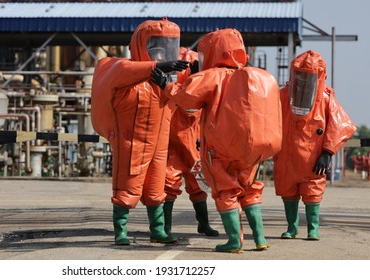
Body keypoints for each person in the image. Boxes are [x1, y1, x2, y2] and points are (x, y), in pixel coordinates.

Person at [151, 28, 282, 253]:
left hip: (223, 149)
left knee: (226, 191)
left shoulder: (214, 76)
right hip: (254, 151)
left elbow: (186, 98)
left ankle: (234, 240)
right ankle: (260, 238)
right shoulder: (258, 76)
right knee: (249, 190)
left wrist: (166, 84)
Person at [90, 18, 189, 245]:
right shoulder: (123, 69)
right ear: (141, 44)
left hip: (158, 144)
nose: (163, 52)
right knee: (127, 185)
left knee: (156, 187)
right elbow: (125, 71)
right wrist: (157, 67)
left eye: (168, 46)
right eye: (157, 46)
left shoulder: (163, 80)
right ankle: (121, 231)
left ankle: (158, 230)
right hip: (132, 142)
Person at [273, 50, 356, 241]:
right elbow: (266, 120)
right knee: (288, 191)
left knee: (312, 193)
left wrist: (327, 152)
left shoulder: (326, 99)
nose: (302, 80)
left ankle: (313, 229)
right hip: (286, 156)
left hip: (313, 158)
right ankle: (291, 228)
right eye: (299, 75)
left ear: (318, 76)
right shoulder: (282, 96)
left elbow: (342, 125)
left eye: (307, 76)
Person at [164, 47, 219, 237]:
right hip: (173, 145)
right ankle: (165, 228)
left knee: (198, 187)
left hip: (193, 144)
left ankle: (203, 224)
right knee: (168, 185)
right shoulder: (172, 89)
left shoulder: (197, 90)